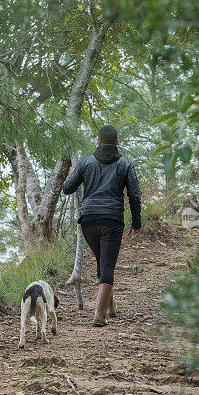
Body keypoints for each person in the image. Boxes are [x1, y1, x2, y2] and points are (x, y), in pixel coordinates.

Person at [62, 125, 142, 326]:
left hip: (88, 220)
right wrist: (136, 222)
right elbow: (134, 195)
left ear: (98, 141)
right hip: (111, 221)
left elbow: (67, 188)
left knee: (103, 261)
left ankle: (110, 307)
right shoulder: (125, 164)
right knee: (107, 264)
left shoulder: (85, 162)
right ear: (117, 143)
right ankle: (99, 315)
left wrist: (73, 174)